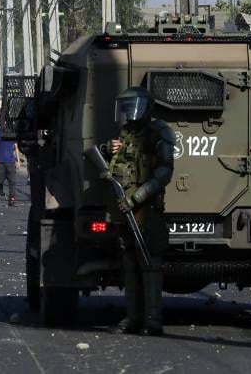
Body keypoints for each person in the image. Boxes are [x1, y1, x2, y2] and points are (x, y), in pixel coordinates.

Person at [105, 87, 174, 336]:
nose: (131, 112)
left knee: (149, 262)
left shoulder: (159, 133)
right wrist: (108, 149)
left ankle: (153, 318)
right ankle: (133, 317)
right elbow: (115, 163)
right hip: (124, 207)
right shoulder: (126, 133)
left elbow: (164, 172)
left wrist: (137, 197)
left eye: (134, 106)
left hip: (146, 208)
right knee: (129, 263)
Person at [0, 117, 20, 206]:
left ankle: (12, 199)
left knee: (12, 182)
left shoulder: (12, 134)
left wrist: (18, 161)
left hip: (11, 162)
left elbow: (16, 148)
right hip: (0, 162)